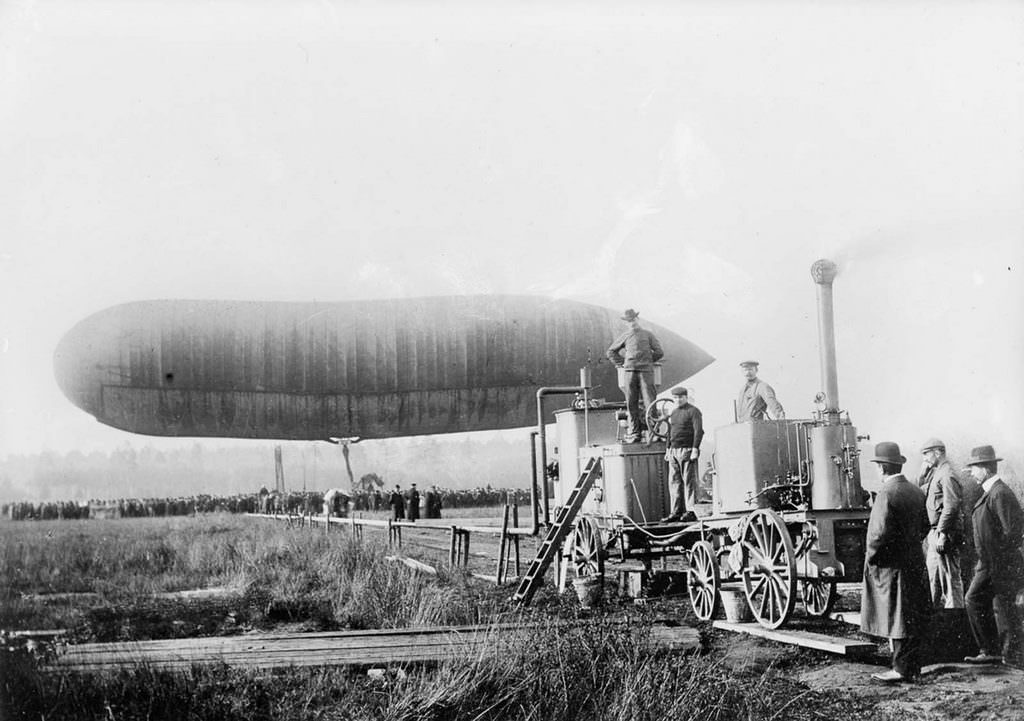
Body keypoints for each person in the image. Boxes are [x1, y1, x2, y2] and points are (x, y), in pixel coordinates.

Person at [860, 441, 930, 683]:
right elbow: (925, 527)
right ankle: (912, 667)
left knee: (898, 616)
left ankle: (900, 669)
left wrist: (872, 558)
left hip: (892, 566)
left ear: (881, 468)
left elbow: (878, 535)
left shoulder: (886, 494)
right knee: (912, 614)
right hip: (914, 562)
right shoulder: (915, 491)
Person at [962, 445, 1024, 664]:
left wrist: (998, 559)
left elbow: (1014, 532)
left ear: (986, 468)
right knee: (1000, 606)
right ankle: (998, 652)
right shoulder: (992, 493)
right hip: (990, 562)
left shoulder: (1000, 494)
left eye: (974, 467)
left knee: (981, 601)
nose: (971, 472)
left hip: (997, 563)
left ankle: (998, 652)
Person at [916, 438, 965, 609]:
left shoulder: (947, 474)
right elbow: (923, 491)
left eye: (926, 454)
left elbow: (951, 506)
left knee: (951, 582)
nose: (924, 459)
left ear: (938, 452)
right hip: (935, 533)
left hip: (945, 534)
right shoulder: (938, 472)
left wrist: (943, 534)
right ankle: (935, 626)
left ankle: (957, 625)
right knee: (933, 581)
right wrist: (922, 474)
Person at [606, 308, 664, 443]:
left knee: (650, 402)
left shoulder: (648, 335)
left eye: (633, 319)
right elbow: (610, 352)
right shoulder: (625, 336)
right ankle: (634, 433)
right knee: (631, 404)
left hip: (646, 372)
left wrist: (648, 361)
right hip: (630, 372)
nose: (631, 323)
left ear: (637, 319)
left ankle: (654, 433)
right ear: (626, 323)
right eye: (629, 321)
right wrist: (623, 363)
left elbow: (659, 352)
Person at [659, 387, 703, 523]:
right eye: (675, 398)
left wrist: (695, 449)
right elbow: (670, 432)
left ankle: (691, 511)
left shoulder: (693, 411)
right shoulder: (674, 413)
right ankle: (676, 512)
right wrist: (668, 449)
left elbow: (698, 431)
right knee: (674, 483)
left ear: (686, 397)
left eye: (680, 397)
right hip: (673, 452)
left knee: (689, 482)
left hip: (687, 451)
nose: (678, 400)